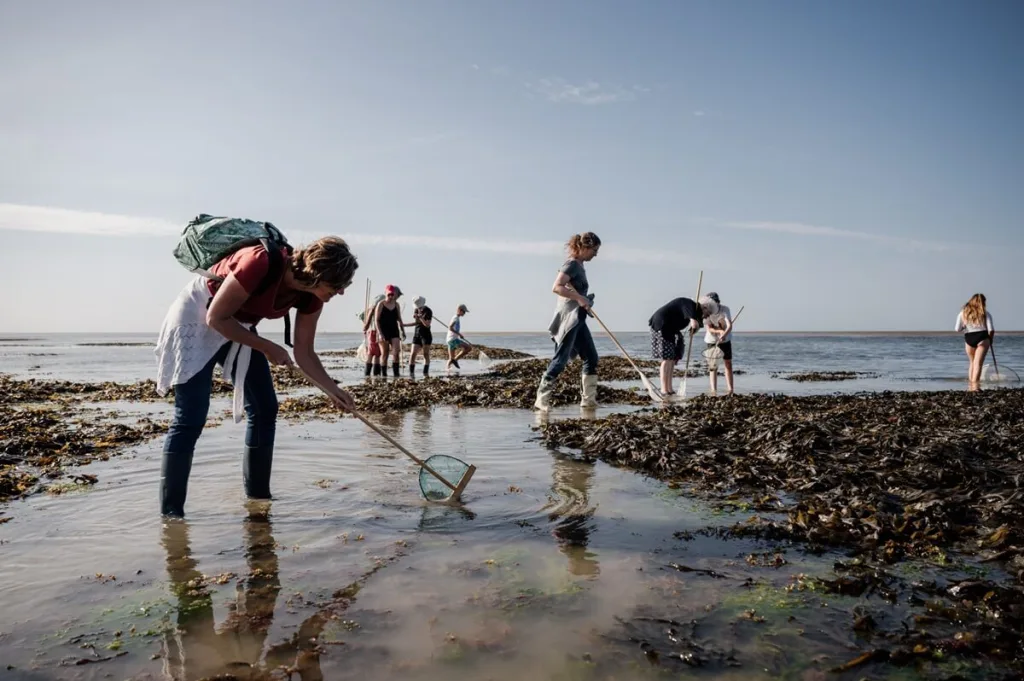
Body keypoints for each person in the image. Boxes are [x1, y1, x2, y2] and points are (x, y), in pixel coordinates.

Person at [155, 237, 358, 518]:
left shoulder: (312, 296)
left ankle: (259, 500)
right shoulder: (259, 262)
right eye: (338, 286)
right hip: (199, 315)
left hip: (239, 325)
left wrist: (333, 391)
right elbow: (215, 319)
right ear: (318, 275)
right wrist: (268, 347)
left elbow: (304, 351)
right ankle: (172, 515)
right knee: (190, 417)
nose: (342, 293)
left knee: (265, 408)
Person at [534, 232, 602, 412]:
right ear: (584, 247)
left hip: (579, 319)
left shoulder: (579, 265)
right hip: (569, 319)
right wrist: (579, 298)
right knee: (561, 360)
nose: (596, 254)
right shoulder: (571, 264)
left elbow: (574, 291)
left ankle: (588, 401)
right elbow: (556, 287)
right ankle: (542, 399)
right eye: (594, 250)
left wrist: (585, 300)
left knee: (591, 358)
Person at [648, 294, 718, 396]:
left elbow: (696, 326)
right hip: (661, 324)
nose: (708, 316)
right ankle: (663, 389)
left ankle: (669, 389)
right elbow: (694, 324)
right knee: (666, 359)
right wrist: (694, 326)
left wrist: (694, 329)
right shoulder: (690, 305)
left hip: (671, 330)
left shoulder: (697, 313)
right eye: (709, 313)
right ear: (705, 307)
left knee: (671, 359)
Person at [955, 293, 995, 387]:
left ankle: (971, 385)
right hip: (983, 337)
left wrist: (964, 326)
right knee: (978, 364)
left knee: (972, 362)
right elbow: (991, 330)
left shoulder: (963, 313)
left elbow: (957, 329)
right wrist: (990, 340)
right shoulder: (985, 313)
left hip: (969, 338)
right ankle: (975, 386)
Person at [703, 292, 735, 394]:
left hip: (725, 340)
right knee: (713, 366)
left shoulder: (725, 309)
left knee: (728, 363)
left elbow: (729, 325)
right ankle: (713, 390)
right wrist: (719, 332)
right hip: (712, 340)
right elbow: (709, 328)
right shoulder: (706, 311)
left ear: (718, 302)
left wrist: (724, 334)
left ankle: (730, 389)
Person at [373, 284, 406, 377]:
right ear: (386, 294)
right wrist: (380, 333)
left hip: (394, 330)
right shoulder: (381, 304)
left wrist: (403, 331)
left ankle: (396, 374)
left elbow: (399, 318)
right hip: (383, 330)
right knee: (385, 354)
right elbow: (376, 320)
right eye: (389, 295)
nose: (391, 297)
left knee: (396, 352)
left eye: (392, 295)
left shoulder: (396, 305)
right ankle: (384, 375)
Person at [405, 296, 434, 377]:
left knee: (425, 354)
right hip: (417, 334)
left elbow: (427, 325)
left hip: (426, 335)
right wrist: (405, 325)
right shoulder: (416, 310)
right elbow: (417, 323)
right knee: (413, 353)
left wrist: (421, 317)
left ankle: (425, 373)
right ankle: (411, 373)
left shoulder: (428, 311)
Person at [361, 292, 385, 376]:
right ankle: (372, 374)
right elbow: (366, 324)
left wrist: (365, 328)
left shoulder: (373, 309)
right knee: (373, 353)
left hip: (375, 332)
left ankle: (371, 374)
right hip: (373, 332)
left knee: (375, 353)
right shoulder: (373, 310)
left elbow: (364, 322)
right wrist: (365, 327)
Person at [446, 304, 471, 370]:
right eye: (464, 312)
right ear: (459, 310)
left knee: (451, 358)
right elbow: (450, 328)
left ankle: (447, 370)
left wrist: (458, 335)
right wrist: (459, 334)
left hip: (449, 340)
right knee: (468, 348)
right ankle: (455, 360)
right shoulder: (456, 318)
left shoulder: (455, 317)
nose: (464, 313)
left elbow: (451, 328)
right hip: (453, 340)